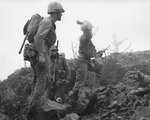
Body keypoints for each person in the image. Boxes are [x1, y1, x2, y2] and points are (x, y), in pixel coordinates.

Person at [29, 2, 65, 109]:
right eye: (60, 13)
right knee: (42, 80)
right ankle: (35, 107)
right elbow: (39, 38)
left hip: (42, 51)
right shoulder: (47, 22)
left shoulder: (48, 22)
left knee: (41, 79)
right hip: (41, 52)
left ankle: (39, 103)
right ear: (55, 13)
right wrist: (41, 55)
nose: (61, 15)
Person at [69, 20, 102, 99]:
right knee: (80, 82)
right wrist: (85, 25)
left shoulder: (88, 41)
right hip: (82, 61)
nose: (91, 31)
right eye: (90, 29)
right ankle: (71, 99)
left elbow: (89, 53)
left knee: (99, 67)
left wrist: (98, 54)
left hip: (87, 61)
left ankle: (94, 89)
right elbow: (88, 34)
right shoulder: (84, 38)